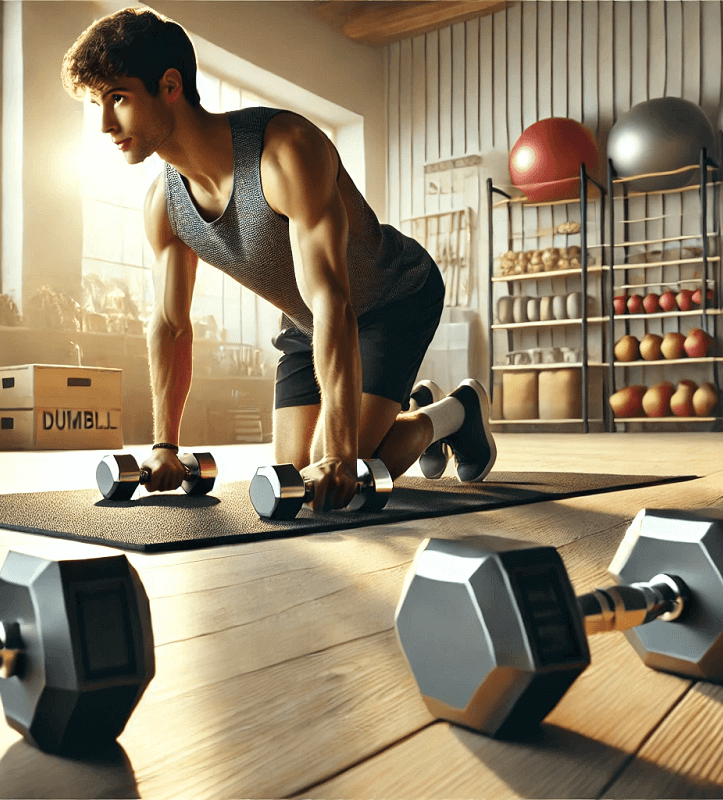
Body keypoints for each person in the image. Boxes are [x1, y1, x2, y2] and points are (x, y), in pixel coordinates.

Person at [61, 7, 495, 512]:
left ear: (170, 85)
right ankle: (401, 404)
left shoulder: (286, 151)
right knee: (291, 474)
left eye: (118, 98)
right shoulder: (164, 204)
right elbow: (171, 326)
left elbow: (334, 296)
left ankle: (452, 414)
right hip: (308, 322)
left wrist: (340, 453)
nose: (104, 123)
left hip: (391, 298)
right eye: (96, 103)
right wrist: (165, 446)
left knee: (339, 481)